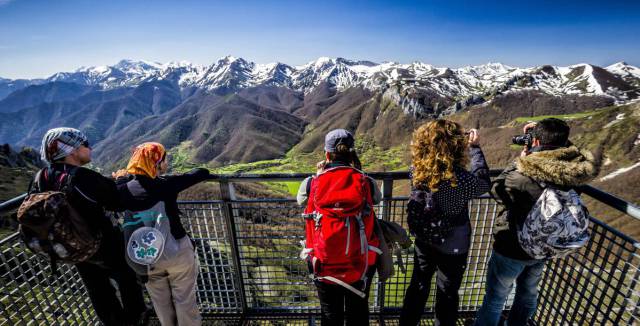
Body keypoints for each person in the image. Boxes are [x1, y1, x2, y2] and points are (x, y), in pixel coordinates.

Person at [474, 118, 598, 326]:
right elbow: (577, 153)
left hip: (512, 247)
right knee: (527, 294)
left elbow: (497, 189)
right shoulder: (572, 171)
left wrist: (520, 161)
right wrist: (551, 136)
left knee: (495, 298)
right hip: (543, 247)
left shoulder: (522, 177)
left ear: (535, 143)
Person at [38, 127, 147, 326]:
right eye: (85, 144)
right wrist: (122, 180)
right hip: (103, 243)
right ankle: (135, 320)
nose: (90, 148)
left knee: (97, 289)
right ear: (71, 150)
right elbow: (118, 202)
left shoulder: (43, 176)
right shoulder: (82, 177)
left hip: (72, 245)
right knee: (128, 279)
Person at [399, 120, 491, 326]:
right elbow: (484, 184)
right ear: (456, 145)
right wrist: (475, 149)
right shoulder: (460, 179)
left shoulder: (417, 169)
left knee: (419, 284)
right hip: (453, 243)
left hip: (426, 236)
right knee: (448, 292)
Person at [114, 142, 210, 326]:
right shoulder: (167, 185)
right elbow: (200, 173)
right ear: (157, 163)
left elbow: (120, 191)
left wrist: (120, 179)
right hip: (176, 252)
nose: (167, 162)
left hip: (145, 257)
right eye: (164, 159)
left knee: (161, 303)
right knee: (184, 299)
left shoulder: (121, 190)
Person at [297, 129, 382, 326]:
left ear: (327, 154)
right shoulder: (365, 181)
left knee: (330, 313)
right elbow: (377, 198)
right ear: (352, 153)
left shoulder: (311, 183)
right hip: (361, 262)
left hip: (322, 262)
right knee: (358, 311)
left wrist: (320, 174)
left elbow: (301, 200)